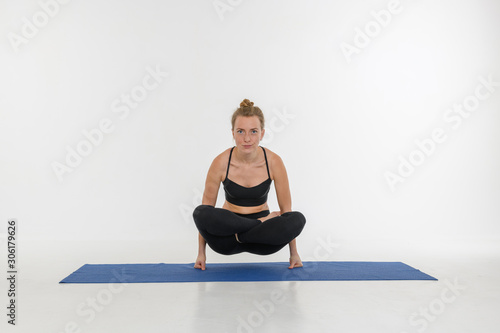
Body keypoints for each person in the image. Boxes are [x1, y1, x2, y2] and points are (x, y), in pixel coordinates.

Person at [192, 99, 306, 270]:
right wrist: (201, 254)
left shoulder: (274, 162)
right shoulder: (221, 162)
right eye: (240, 131)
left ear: (262, 133)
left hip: (263, 239)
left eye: (253, 131)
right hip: (227, 237)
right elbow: (206, 210)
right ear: (232, 133)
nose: (247, 138)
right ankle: (259, 222)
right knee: (200, 212)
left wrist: (294, 253)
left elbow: (287, 212)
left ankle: (256, 226)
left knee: (297, 219)